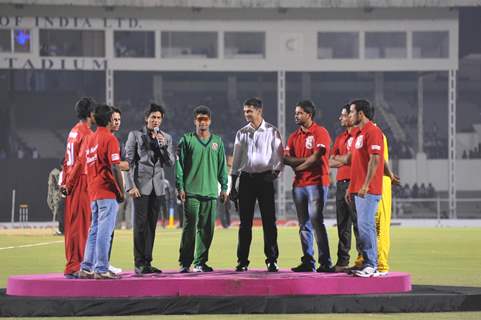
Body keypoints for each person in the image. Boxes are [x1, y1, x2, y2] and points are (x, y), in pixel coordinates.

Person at [230, 97, 283, 272]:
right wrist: (233, 186)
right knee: (245, 223)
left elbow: (279, 155)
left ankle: (272, 260)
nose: (246, 114)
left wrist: (275, 173)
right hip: (246, 180)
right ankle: (242, 260)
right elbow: (236, 161)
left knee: (269, 222)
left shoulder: (272, 131)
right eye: (245, 111)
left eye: (249, 111)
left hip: (265, 179)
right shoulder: (241, 133)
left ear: (259, 111)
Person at [176, 105, 228, 272]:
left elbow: (222, 167)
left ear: (210, 121)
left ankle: (200, 262)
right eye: (199, 119)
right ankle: (185, 263)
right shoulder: (186, 140)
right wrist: (180, 187)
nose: (202, 122)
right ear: (195, 121)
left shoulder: (217, 142)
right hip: (191, 192)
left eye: (205, 119)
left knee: (207, 230)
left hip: (211, 192)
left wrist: (224, 188)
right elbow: (180, 166)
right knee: (189, 229)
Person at [283, 100, 333, 273]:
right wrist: (306, 162)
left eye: (299, 113)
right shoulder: (293, 136)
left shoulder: (321, 132)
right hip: (299, 185)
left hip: (317, 183)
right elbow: (285, 159)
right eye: (295, 113)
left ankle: (325, 262)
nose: (295, 115)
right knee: (303, 224)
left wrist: (298, 165)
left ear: (308, 115)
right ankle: (308, 262)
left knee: (316, 222)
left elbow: (317, 157)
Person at [125, 103, 175, 275]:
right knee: (140, 225)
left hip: (158, 187)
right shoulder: (135, 136)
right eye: (153, 117)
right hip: (140, 185)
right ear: (146, 118)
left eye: (159, 117)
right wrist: (130, 185)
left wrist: (162, 146)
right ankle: (139, 263)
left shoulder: (166, 138)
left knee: (151, 226)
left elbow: (170, 162)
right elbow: (128, 163)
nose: (156, 120)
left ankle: (147, 261)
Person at [78, 104, 124, 279]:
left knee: (94, 230)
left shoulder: (90, 138)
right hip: (106, 191)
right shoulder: (110, 139)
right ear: (108, 119)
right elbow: (114, 166)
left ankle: (87, 267)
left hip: (94, 191)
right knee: (105, 231)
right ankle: (102, 268)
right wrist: (120, 191)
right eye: (113, 117)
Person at [345, 99, 385, 278]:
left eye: (351, 112)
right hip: (357, 189)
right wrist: (351, 188)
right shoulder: (358, 134)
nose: (349, 115)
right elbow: (357, 163)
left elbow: (375, 159)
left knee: (366, 225)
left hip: (368, 190)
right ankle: (367, 263)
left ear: (361, 114)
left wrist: (366, 185)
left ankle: (372, 265)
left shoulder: (373, 131)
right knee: (362, 227)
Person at [61, 97, 95, 278]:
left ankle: (74, 264)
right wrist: (70, 183)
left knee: (73, 224)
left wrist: (64, 182)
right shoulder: (87, 134)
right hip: (80, 182)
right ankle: (75, 266)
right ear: (91, 114)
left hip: (71, 181)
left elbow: (67, 161)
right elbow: (81, 162)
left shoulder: (73, 131)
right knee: (80, 226)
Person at [329, 104, 360, 272]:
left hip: (355, 183)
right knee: (342, 225)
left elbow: (355, 159)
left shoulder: (359, 136)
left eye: (343, 115)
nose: (340, 118)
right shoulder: (340, 138)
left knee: (358, 223)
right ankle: (342, 262)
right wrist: (345, 159)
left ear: (351, 116)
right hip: (341, 184)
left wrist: (343, 159)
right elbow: (331, 160)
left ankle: (362, 259)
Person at [47, 159, 65, 235]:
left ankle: (63, 230)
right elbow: (60, 186)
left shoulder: (62, 173)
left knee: (61, 212)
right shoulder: (59, 173)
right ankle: (62, 230)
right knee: (60, 212)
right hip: (63, 195)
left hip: (64, 196)